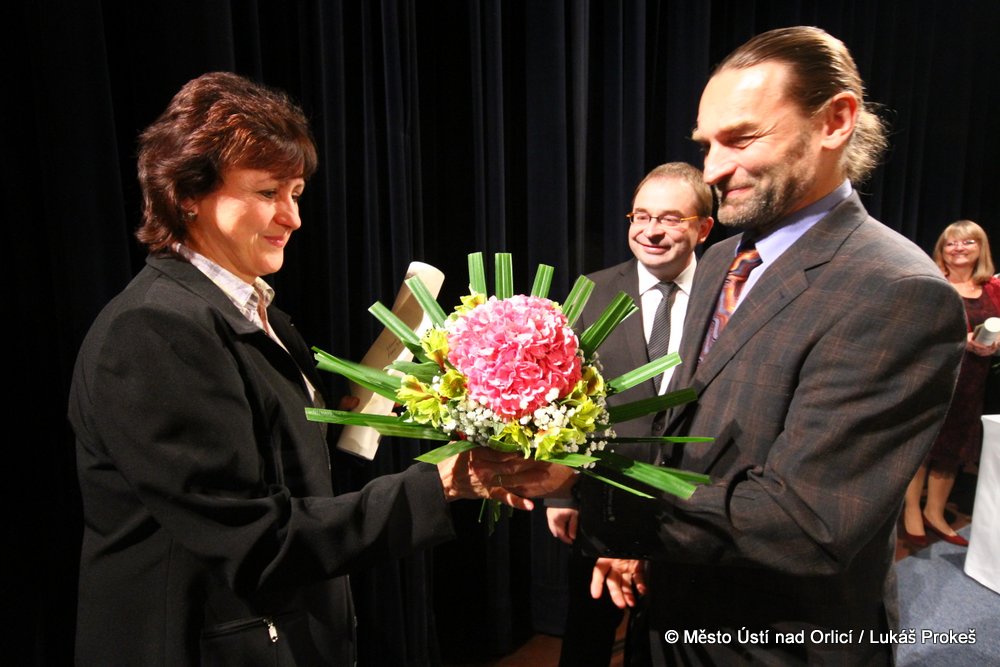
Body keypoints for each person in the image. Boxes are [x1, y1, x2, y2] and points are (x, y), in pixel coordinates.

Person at [68, 71, 566, 666]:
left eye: (296, 193)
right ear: (186, 194)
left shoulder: (259, 315)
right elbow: (255, 540)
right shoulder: (153, 331)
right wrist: (444, 483)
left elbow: (294, 478)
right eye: (266, 192)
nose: (293, 217)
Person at [583, 26, 967, 665]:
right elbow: (689, 431)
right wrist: (643, 548)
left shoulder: (898, 291)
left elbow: (806, 524)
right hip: (674, 610)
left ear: (835, 121)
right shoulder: (721, 259)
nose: (713, 170)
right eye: (707, 145)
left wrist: (604, 503)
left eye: (741, 139)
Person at [546, 163, 713, 666]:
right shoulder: (589, 293)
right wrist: (559, 490)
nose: (651, 231)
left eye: (670, 218)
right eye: (641, 216)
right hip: (604, 505)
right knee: (587, 636)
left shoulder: (727, 296)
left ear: (704, 227)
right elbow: (561, 395)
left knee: (669, 642)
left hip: (693, 508)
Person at [902, 220, 1000, 547]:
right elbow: (912, 331)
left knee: (953, 448)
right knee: (924, 444)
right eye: (951, 243)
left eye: (968, 242)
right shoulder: (930, 281)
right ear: (941, 250)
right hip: (932, 377)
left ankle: (935, 512)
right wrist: (961, 341)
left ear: (980, 248)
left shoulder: (993, 288)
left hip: (972, 381)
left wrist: (995, 344)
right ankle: (911, 511)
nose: (958, 248)